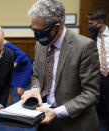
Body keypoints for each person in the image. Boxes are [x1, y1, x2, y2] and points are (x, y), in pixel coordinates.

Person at [21, 0, 100, 131]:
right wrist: (35, 88)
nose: (36, 35)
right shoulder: (40, 45)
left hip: (74, 122)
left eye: (40, 31)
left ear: (56, 26)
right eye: (33, 29)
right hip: (43, 119)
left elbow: (91, 93)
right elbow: (36, 75)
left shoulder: (84, 46)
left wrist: (57, 112)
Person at [87, 10, 109, 130]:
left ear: (100, 22)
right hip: (97, 75)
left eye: (91, 23)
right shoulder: (89, 38)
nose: (89, 26)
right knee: (96, 103)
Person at [4, 40, 32, 105]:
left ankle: (25, 107)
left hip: (24, 67)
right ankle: (9, 109)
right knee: (8, 90)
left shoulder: (7, 44)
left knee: (19, 91)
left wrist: (16, 62)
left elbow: (22, 54)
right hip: (15, 69)